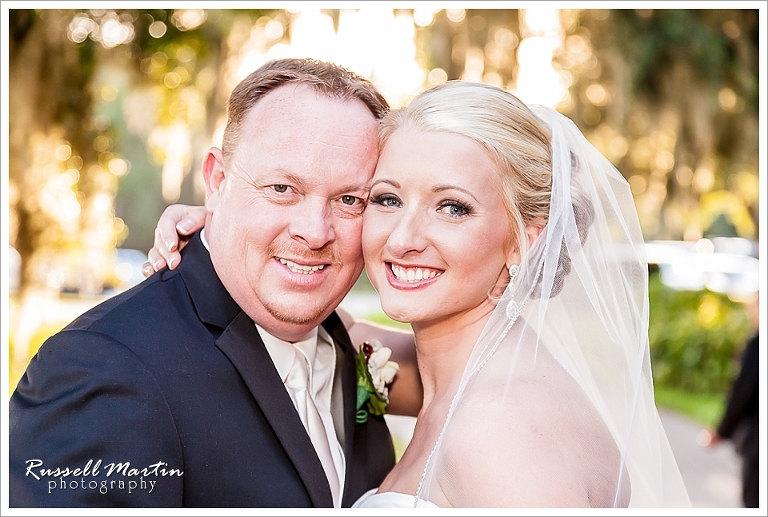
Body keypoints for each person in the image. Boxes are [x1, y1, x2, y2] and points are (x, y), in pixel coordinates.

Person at [149, 80, 692, 507]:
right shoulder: (432, 374)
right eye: (386, 199)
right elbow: (327, 346)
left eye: (452, 207)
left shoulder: (502, 433)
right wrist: (231, 229)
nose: (404, 239)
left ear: (529, 240)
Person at [9, 58, 422, 508]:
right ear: (218, 180)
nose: (315, 231)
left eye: (349, 199)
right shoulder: (106, 369)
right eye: (282, 188)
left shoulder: (349, 347)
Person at [704, 294, 759, 508]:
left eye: (754, 308)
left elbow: (742, 393)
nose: (751, 314)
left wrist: (721, 431)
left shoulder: (758, 345)